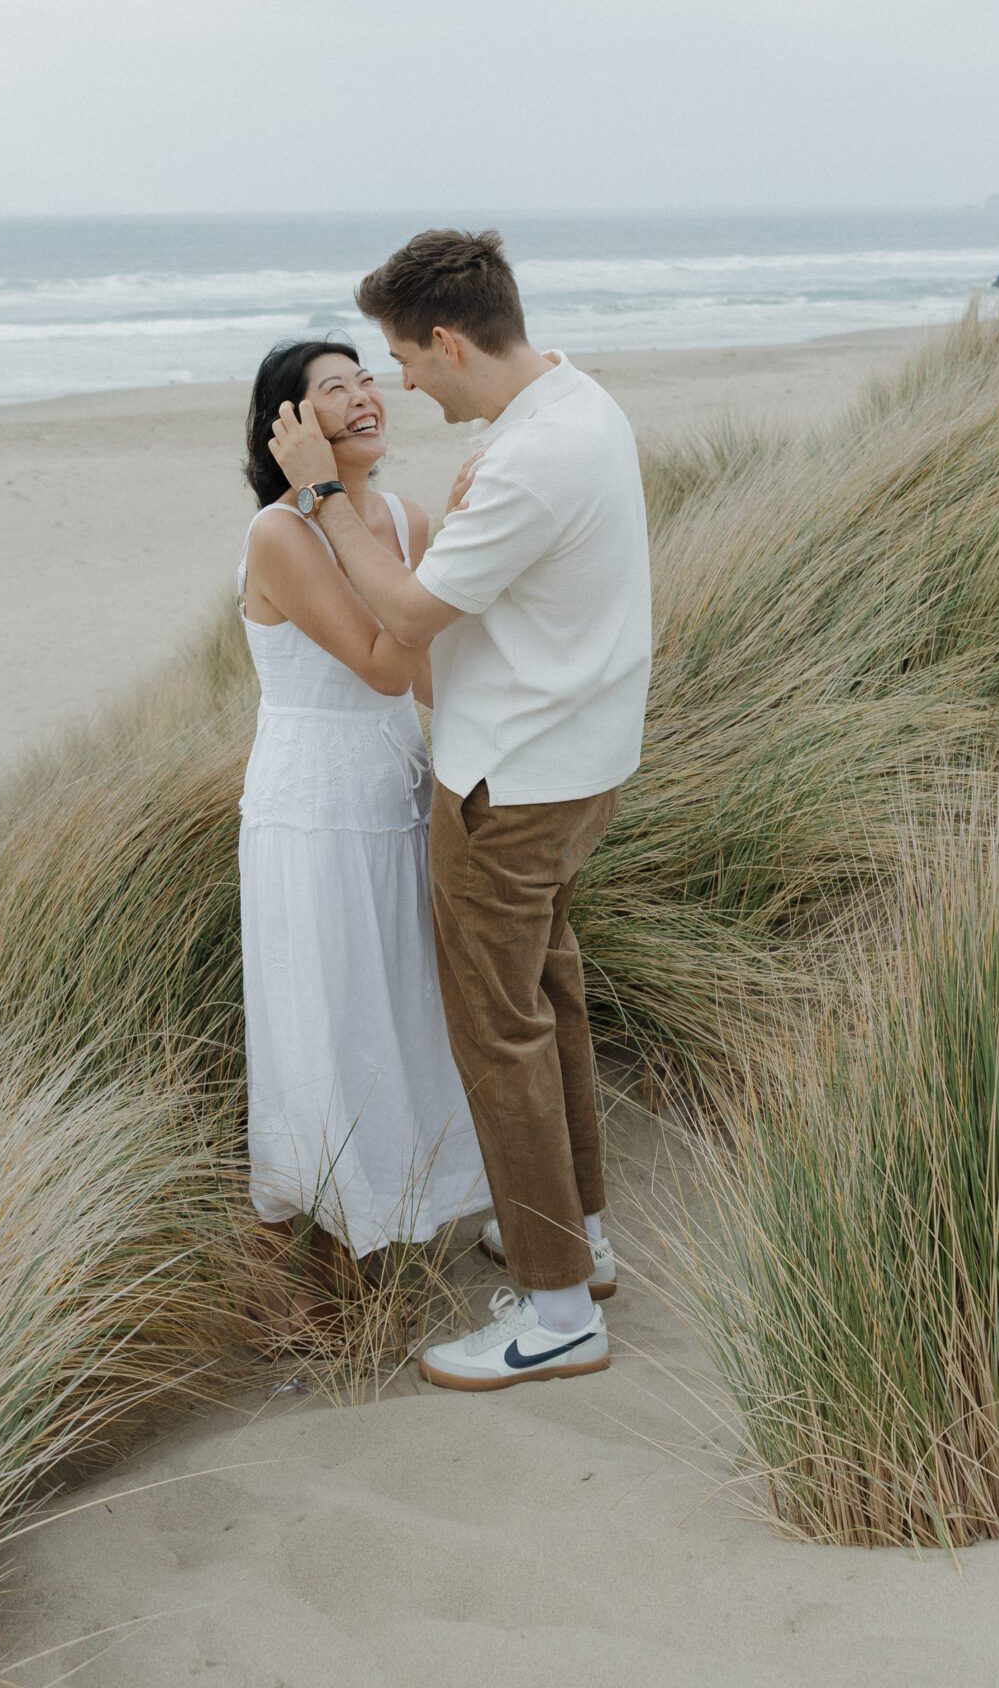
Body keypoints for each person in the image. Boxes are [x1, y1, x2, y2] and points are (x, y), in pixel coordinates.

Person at [269, 228, 652, 1392]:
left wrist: (325, 497)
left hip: (509, 781)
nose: (397, 383)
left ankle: (553, 1310)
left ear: (446, 340)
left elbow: (404, 610)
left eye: (400, 358)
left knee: (500, 1030)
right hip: (577, 762)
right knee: (549, 993)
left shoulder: (534, 459)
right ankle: (577, 1240)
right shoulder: (573, 407)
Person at [236, 335, 488, 1313]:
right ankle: (286, 1283)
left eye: (365, 379)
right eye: (330, 390)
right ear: (289, 426)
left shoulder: (407, 516)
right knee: (318, 1023)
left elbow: (430, 676)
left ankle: (377, 1252)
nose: (361, 397)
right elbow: (382, 665)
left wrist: (454, 539)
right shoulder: (281, 534)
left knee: (396, 1014)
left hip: (398, 793)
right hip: (310, 809)